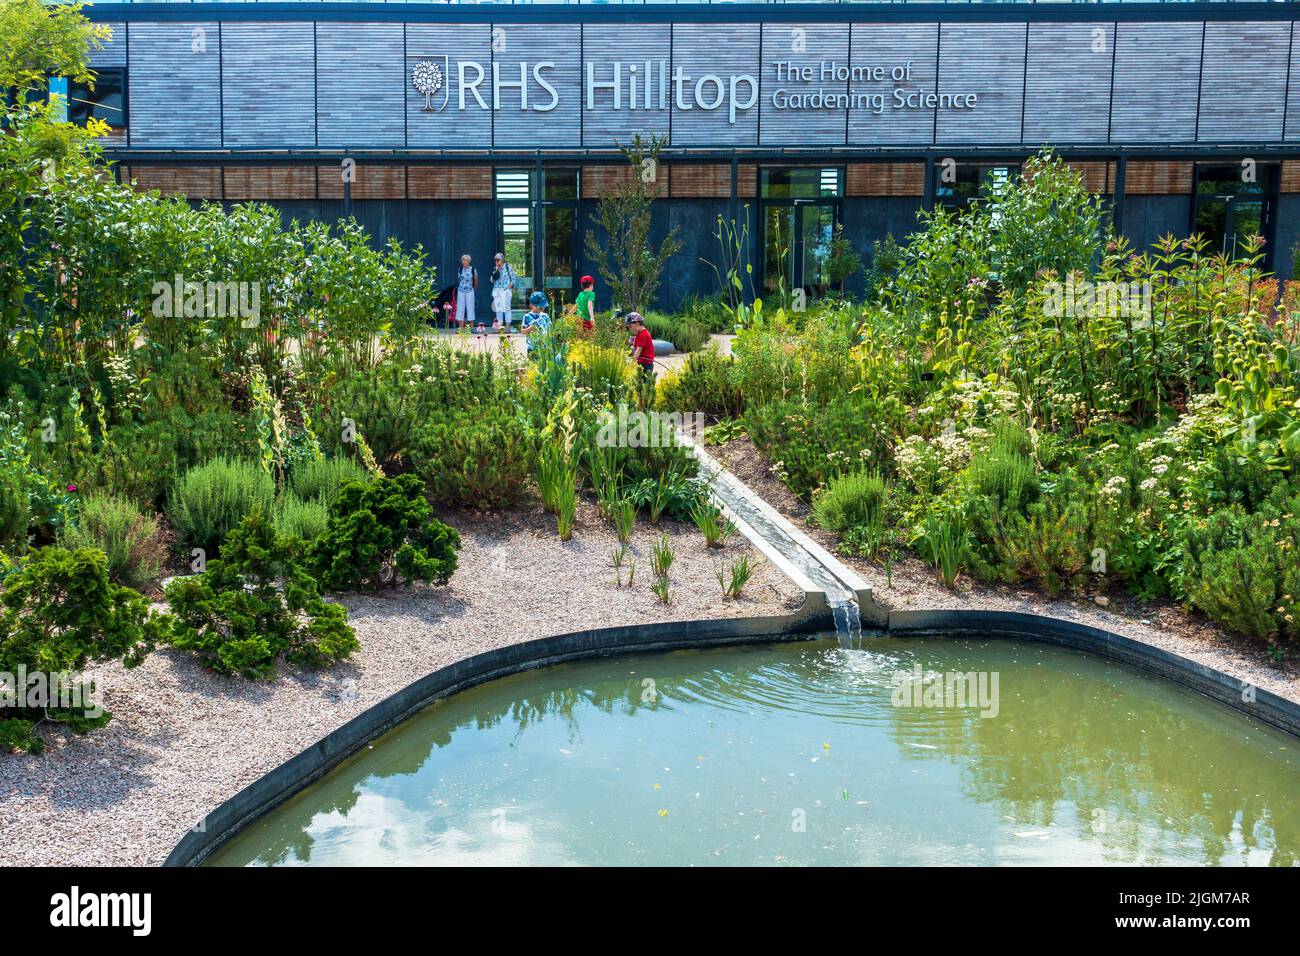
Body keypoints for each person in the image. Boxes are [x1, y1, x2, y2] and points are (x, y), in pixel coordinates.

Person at [490, 252, 517, 334]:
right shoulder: (495, 268)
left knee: (507, 309)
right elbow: (491, 280)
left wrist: (510, 286)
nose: (496, 262)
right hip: (497, 290)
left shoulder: (508, 267)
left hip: (505, 291)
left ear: (502, 260)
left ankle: (507, 328)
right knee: (498, 310)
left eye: (498, 260)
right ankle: (499, 328)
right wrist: (495, 273)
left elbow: (514, 279)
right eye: (495, 260)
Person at [521, 291, 550, 359]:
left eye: (543, 306)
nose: (542, 308)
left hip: (544, 346)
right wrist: (529, 329)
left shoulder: (545, 316)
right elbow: (522, 331)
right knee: (532, 366)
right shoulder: (527, 316)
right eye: (539, 306)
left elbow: (550, 329)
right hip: (532, 347)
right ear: (531, 305)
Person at [626, 311, 655, 381]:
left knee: (644, 383)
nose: (630, 329)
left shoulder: (643, 335)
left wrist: (632, 361)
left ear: (637, 323)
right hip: (642, 362)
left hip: (645, 364)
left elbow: (638, 350)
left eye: (630, 326)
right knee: (639, 382)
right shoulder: (640, 334)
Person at [454, 254, 477, 329]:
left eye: (465, 260)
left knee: (470, 308)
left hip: (470, 291)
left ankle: (471, 327)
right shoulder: (459, 269)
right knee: (460, 308)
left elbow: (476, 279)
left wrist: (473, 288)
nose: (463, 262)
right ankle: (461, 327)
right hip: (461, 291)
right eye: (462, 260)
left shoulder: (473, 269)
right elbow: (459, 279)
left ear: (469, 261)